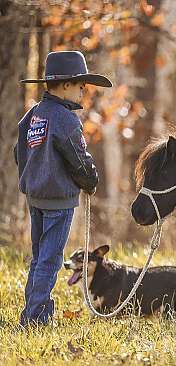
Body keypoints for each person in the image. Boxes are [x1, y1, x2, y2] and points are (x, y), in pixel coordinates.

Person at [15, 50, 112, 327]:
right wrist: (91, 181)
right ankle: (36, 318)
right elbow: (79, 160)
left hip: (35, 197)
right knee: (50, 259)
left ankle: (31, 312)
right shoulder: (66, 120)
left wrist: (32, 175)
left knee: (39, 258)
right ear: (66, 85)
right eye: (81, 85)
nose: (83, 91)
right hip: (58, 201)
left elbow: (17, 151)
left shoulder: (34, 114)